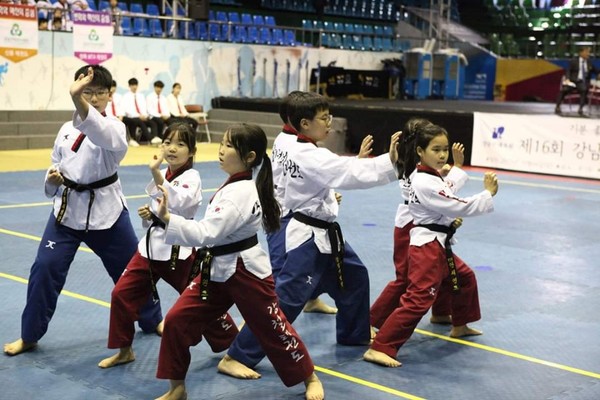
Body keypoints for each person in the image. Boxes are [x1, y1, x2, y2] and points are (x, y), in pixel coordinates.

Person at [219, 92, 401, 380]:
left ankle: (354, 334)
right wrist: (392, 161)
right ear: (303, 123)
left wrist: (357, 165)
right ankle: (237, 355)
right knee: (287, 298)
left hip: (315, 227)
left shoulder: (286, 139)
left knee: (354, 277)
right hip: (301, 232)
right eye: (324, 118)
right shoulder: (305, 152)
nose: (330, 123)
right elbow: (340, 171)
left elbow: (325, 170)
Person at [153, 123, 324, 400]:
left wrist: (169, 219)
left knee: (272, 326)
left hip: (246, 271)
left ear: (250, 157)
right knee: (175, 320)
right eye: (222, 143)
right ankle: (177, 388)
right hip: (217, 268)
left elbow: (207, 233)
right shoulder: (235, 184)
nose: (221, 150)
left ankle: (309, 376)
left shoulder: (240, 193)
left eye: (229, 146)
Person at [3, 64, 162, 356]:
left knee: (134, 271)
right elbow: (55, 163)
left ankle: (152, 320)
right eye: (87, 92)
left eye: (99, 92)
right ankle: (29, 335)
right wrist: (51, 180)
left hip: (107, 213)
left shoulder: (115, 128)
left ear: (109, 95)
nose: (94, 97)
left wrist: (78, 98)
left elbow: (97, 130)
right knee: (44, 268)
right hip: (67, 211)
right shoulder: (65, 130)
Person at [98, 123, 238, 369]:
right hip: (150, 251)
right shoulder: (164, 172)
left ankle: (236, 348)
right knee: (120, 295)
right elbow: (159, 213)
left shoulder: (192, 178)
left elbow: (179, 201)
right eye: (168, 143)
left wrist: (155, 175)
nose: (172, 149)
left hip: (179, 253)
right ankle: (124, 350)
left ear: (192, 151)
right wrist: (147, 215)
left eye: (180, 144)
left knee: (203, 301)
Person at [363, 123, 498, 368]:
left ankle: (460, 324)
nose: (442, 155)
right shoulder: (424, 180)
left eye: (444, 149)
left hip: (436, 242)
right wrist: (487, 194)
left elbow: (445, 193)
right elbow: (457, 204)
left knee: (463, 277)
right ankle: (381, 346)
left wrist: (455, 169)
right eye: (436, 149)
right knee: (418, 297)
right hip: (427, 246)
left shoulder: (427, 175)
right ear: (420, 151)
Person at [370, 118, 467, 331]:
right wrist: (455, 170)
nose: (440, 153)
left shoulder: (414, 163)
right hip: (412, 224)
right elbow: (444, 192)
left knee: (442, 270)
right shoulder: (413, 168)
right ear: (420, 145)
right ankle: (371, 322)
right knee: (405, 279)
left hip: (423, 220)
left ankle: (442, 312)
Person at [555, 46, 598, 116]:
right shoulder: (574, 61)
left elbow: (595, 71)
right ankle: (557, 107)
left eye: (588, 52)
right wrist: (567, 79)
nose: (588, 54)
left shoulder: (589, 62)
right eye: (586, 52)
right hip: (572, 81)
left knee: (584, 89)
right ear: (581, 53)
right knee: (564, 90)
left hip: (582, 82)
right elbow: (568, 71)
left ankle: (580, 109)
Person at [121, 77, 162, 145]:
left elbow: (143, 108)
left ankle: (155, 137)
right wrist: (139, 116)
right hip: (133, 117)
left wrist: (145, 116)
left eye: (136, 85)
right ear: (129, 86)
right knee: (140, 122)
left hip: (142, 116)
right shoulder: (126, 96)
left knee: (152, 123)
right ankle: (151, 139)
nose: (134, 87)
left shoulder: (141, 96)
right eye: (132, 85)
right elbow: (127, 110)